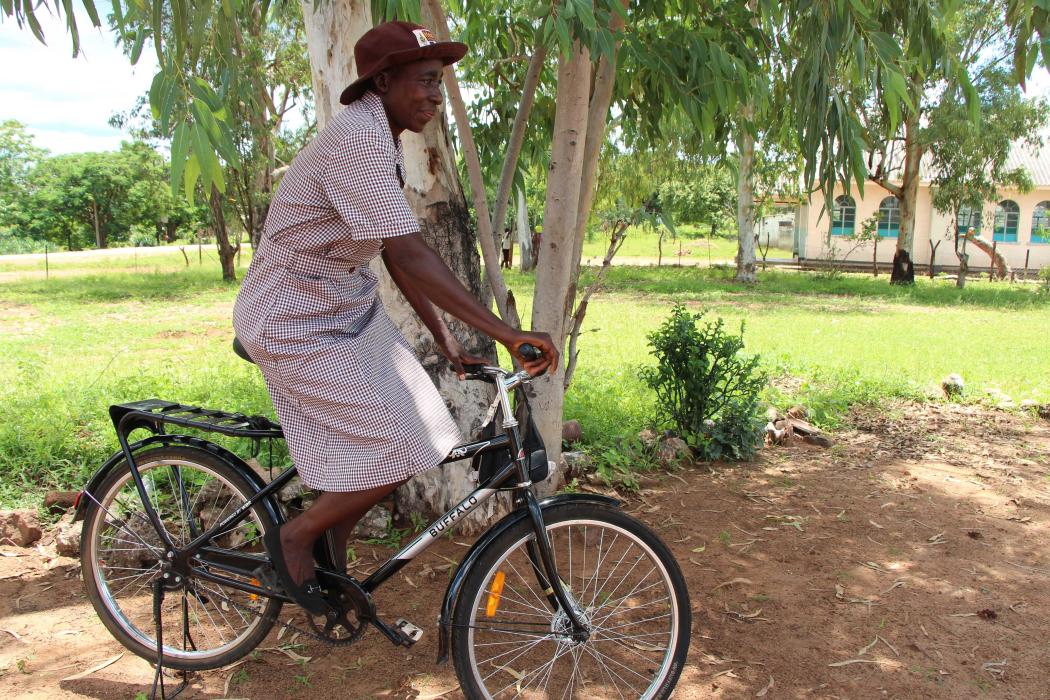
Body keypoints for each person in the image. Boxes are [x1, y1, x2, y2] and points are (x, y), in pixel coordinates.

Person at [232, 21, 557, 615]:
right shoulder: (358, 138)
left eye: (440, 82)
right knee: (406, 444)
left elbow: (391, 250)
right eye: (427, 81)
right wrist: (505, 333)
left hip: (345, 310)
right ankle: (296, 535)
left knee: (430, 430)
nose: (436, 94)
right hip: (292, 319)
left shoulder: (381, 138)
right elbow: (408, 251)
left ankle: (331, 543)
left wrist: (445, 337)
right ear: (382, 81)